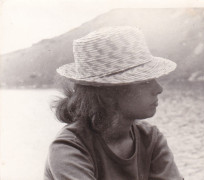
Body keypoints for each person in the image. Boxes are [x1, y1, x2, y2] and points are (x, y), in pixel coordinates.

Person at [44, 26, 183, 180]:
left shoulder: (150, 138)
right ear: (108, 93)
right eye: (146, 81)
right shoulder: (69, 149)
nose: (158, 89)